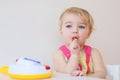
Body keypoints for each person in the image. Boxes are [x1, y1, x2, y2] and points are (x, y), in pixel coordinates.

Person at [53, 7, 107, 79]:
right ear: (61, 31)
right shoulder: (58, 54)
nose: (75, 30)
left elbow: (102, 74)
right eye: (69, 26)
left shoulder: (94, 52)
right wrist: (75, 54)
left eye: (81, 27)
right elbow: (66, 75)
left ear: (89, 33)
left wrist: (85, 77)